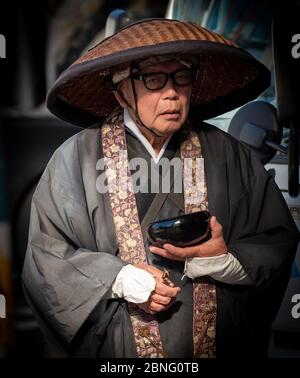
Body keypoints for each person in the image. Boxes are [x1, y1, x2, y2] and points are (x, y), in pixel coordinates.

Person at [22, 18, 299, 358]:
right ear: (120, 90)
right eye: (153, 79)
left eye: (181, 76)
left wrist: (221, 261)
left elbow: (274, 241)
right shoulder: (74, 158)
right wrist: (119, 278)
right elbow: (45, 257)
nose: (171, 92)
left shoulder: (228, 154)